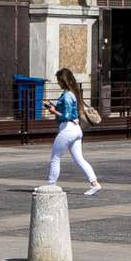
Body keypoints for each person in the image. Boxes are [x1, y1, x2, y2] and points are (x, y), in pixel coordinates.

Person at [45, 66, 102, 195]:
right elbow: (70, 113)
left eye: (59, 80)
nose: (58, 83)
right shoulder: (73, 94)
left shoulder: (66, 96)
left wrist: (53, 110)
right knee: (79, 158)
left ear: (63, 81)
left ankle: (51, 185)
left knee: (55, 157)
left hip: (67, 129)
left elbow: (66, 115)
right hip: (76, 130)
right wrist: (54, 107)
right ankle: (94, 183)